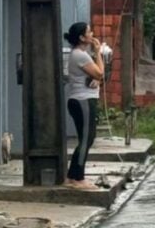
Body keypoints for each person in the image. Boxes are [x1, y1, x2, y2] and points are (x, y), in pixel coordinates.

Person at [63, 22, 104, 190]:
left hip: (82, 99)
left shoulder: (80, 55)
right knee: (87, 138)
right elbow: (100, 73)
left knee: (86, 138)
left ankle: (73, 175)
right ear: (82, 37)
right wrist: (98, 52)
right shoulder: (80, 55)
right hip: (83, 100)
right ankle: (77, 178)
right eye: (89, 31)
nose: (92, 33)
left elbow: (95, 75)